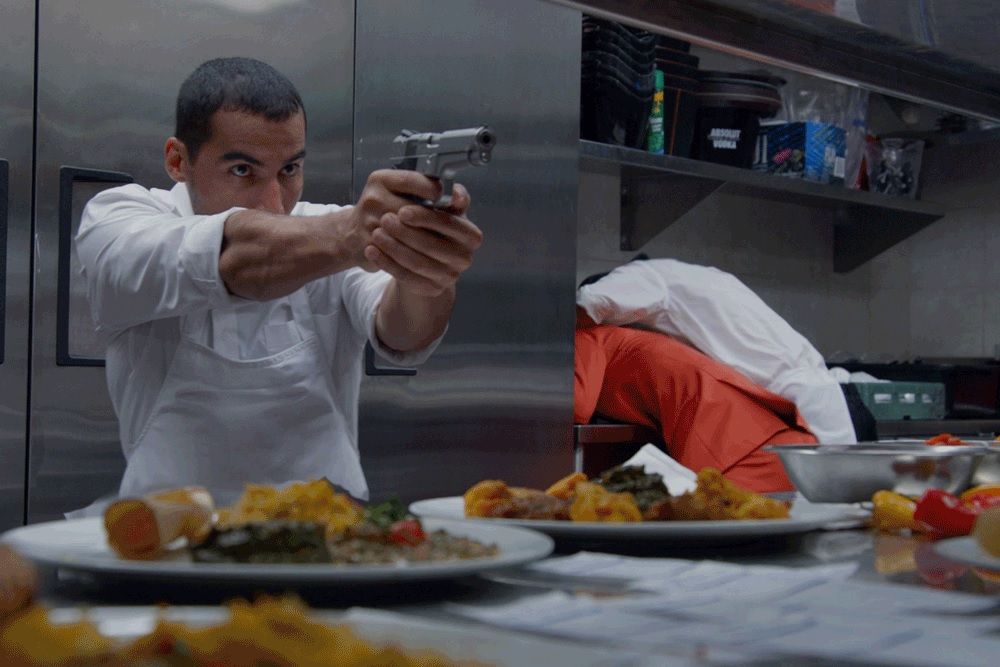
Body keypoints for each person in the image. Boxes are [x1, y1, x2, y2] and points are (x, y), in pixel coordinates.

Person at [75, 57, 483, 505]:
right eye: (242, 170)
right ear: (178, 160)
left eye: (289, 170)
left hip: (328, 533)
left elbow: (404, 334)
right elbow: (229, 257)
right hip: (169, 534)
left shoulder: (330, 230)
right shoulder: (119, 219)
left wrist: (426, 270)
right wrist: (349, 235)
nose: (274, 203)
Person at [574, 310, 817, 492]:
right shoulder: (630, 340)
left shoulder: (587, 338)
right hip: (771, 443)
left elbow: (573, 405)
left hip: (739, 450)